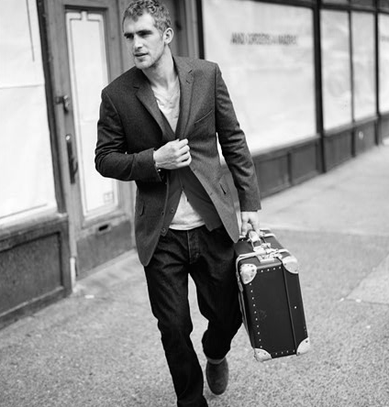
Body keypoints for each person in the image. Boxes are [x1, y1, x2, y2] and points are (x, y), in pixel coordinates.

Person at [95, 1, 261, 406]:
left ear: (166, 35)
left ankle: (215, 352)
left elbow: (233, 139)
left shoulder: (206, 75)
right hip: (162, 231)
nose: (136, 44)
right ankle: (190, 400)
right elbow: (105, 158)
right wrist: (154, 160)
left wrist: (250, 203)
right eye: (129, 36)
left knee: (227, 314)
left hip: (212, 222)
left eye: (144, 33)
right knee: (172, 327)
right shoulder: (117, 95)